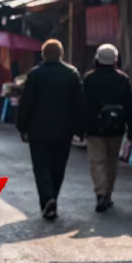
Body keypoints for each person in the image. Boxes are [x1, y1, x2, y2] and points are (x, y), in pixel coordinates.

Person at [16, 38, 85, 220]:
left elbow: (26, 103)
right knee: (58, 166)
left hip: (38, 129)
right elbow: (79, 103)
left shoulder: (35, 74)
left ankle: (47, 198)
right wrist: (80, 128)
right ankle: (52, 195)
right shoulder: (72, 74)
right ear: (61, 54)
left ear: (44, 54)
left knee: (41, 166)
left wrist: (21, 126)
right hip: (64, 129)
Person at [83, 44, 132, 212]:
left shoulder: (89, 79)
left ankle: (100, 192)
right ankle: (107, 194)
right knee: (111, 162)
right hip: (117, 127)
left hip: (94, 127)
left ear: (97, 59)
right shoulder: (123, 79)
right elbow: (129, 106)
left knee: (97, 161)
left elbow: (82, 104)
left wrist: (79, 126)